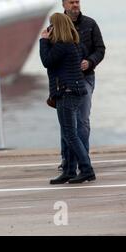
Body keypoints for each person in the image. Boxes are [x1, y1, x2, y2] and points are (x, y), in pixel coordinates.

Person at [40, 13, 96, 184]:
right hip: (75, 92)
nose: (50, 29)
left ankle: (86, 169)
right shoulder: (74, 43)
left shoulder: (62, 45)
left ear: (57, 26)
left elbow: (46, 61)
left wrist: (43, 40)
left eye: (52, 26)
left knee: (70, 134)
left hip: (66, 92)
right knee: (68, 133)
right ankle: (69, 171)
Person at [58, 0, 106, 171]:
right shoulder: (56, 26)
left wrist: (90, 61)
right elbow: (51, 58)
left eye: (77, 1)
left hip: (86, 78)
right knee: (66, 121)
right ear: (63, 4)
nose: (75, 5)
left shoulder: (90, 24)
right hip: (64, 81)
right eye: (71, 2)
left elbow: (100, 49)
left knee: (82, 120)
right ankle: (67, 161)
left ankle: (83, 159)